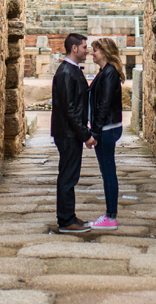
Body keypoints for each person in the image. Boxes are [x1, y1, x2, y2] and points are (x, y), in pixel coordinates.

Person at [50, 33, 95, 233]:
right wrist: (85, 135)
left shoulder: (72, 70)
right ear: (74, 49)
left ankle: (69, 215)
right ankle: (66, 220)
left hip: (70, 132)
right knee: (68, 176)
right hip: (67, 133)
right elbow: (70, 109)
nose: (88, 50)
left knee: (70, 175)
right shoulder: (66, 72)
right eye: (85, 47)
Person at [86, 36, 125, 231]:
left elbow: (104, 105)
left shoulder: (109, 73)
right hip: (107, 127)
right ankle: (110, 214)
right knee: (106, 172)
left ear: (105, 53)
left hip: (107, 129)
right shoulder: (105, 72)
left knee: (109, 172)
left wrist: (95, 132)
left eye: (96, 50)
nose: (92, 53)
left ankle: (111, 217)